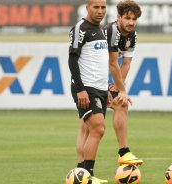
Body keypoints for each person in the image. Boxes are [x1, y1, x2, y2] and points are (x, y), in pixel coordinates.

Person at [68, 0, 131, 183]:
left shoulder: (103, 30)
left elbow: (109, 61)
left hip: (101, 88)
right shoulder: (81, 28)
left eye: (103, 7)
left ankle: (83, 174)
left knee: (94, 130)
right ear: (87, 8)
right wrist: (81, 90)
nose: (100, 11)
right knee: (98, 128)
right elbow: (72, 60)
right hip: (86, 88)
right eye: (96, 7)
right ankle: (87, 176)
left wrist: (114, 87)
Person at [103, 0, 143, 165]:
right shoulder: (111, 31)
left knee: (121, 104)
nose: (131, 22)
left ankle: (124, 152)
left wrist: (118, 88)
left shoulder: (132, 35)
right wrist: (121, 90)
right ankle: (83, 169)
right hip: (87, 78)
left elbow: (125, 63)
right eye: (127, 18)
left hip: (100, 79)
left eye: (134, 19)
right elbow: (113, 64)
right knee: (91, 125)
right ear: (118, 17)